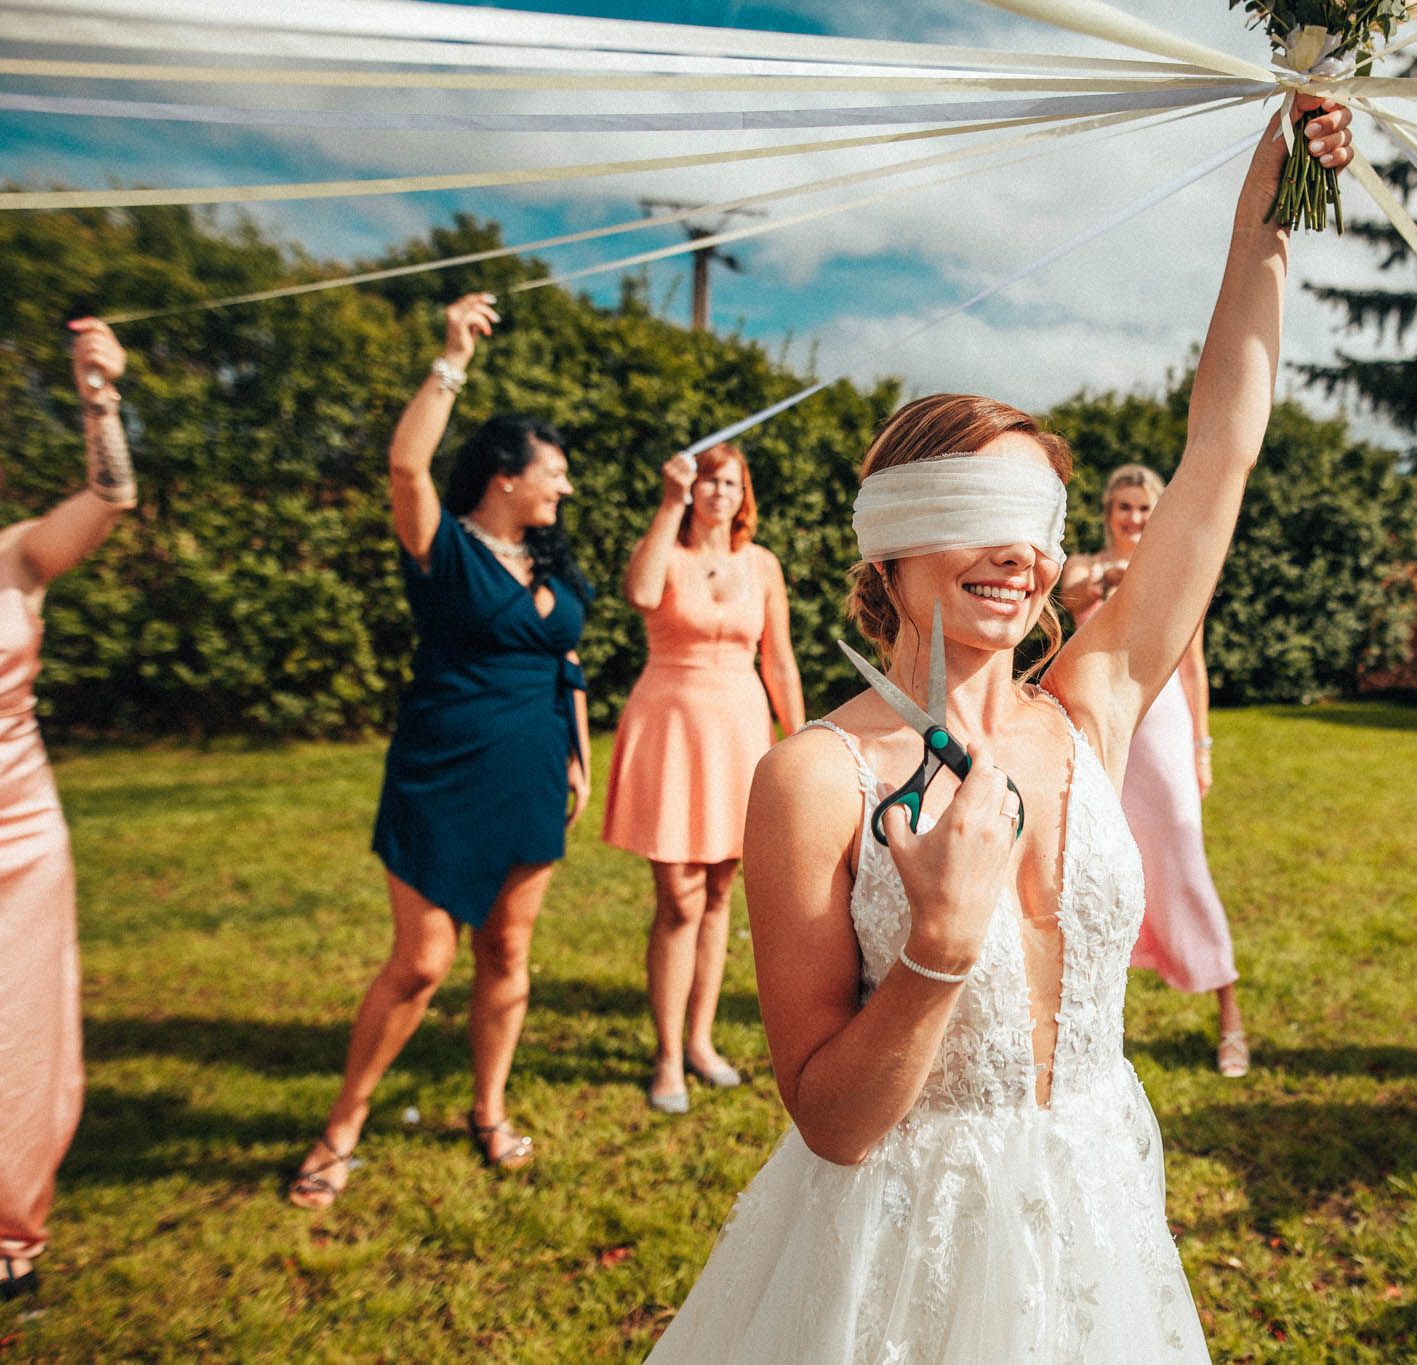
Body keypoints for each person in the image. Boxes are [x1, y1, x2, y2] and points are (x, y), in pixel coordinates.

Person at [640, 95, 1352, 1363]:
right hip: (890, 1249)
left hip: (1089, 1201)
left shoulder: (1094, 700)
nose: (1023, 555)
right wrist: (936, 949)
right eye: (982, 511)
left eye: (1041, 521)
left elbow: (1220, 454)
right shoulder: (815, 777)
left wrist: (1269, 210)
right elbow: (834, 1126)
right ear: (893, 540)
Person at [290, 293, 592, 1207]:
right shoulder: (443, 550)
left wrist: (578, 755)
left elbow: (566, 661)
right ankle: (343, 1122)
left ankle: (488, 1108)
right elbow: (404, 461)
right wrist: (452, 356)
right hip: (444, 770)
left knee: (508, 950)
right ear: (505, 476)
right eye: (555, 473)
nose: (565, 488)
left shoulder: (553, 564)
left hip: (536, 768)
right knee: (422, 961)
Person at [604, 442, 804, 1113]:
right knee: (679, 898)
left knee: (721, 890)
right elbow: (637, 591)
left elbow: (778, 659)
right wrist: (666, 502)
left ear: (742, 491)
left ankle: (700, 1040)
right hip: (672, 725)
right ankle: (665, 1056)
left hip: (740, 727)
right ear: (690, 488)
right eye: (706, 479)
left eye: (729, 480)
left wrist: (796, 738)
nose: (717, 490)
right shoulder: (667, 549)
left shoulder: (763, 564)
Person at [0, 319, 136, 1299]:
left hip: (21, 831)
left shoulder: (15, 557)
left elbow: (111, 497)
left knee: (17, 1030)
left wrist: (99, 395)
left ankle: (10, 1232)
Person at [1060, 464, 1247, 1077]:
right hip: (1099, 726)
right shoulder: (1083, 567)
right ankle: (1087, 1023)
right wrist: (1113, 573)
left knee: (1183, 860)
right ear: (1108, 510)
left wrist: (1202, 748)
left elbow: (1193, 667)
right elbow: (1070, 595)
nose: (1134, 519)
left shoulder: (1178, 571)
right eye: (1124, 507)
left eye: (1145, 509)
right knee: (1093, 869)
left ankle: (1230, 1015)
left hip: (1163, 726)